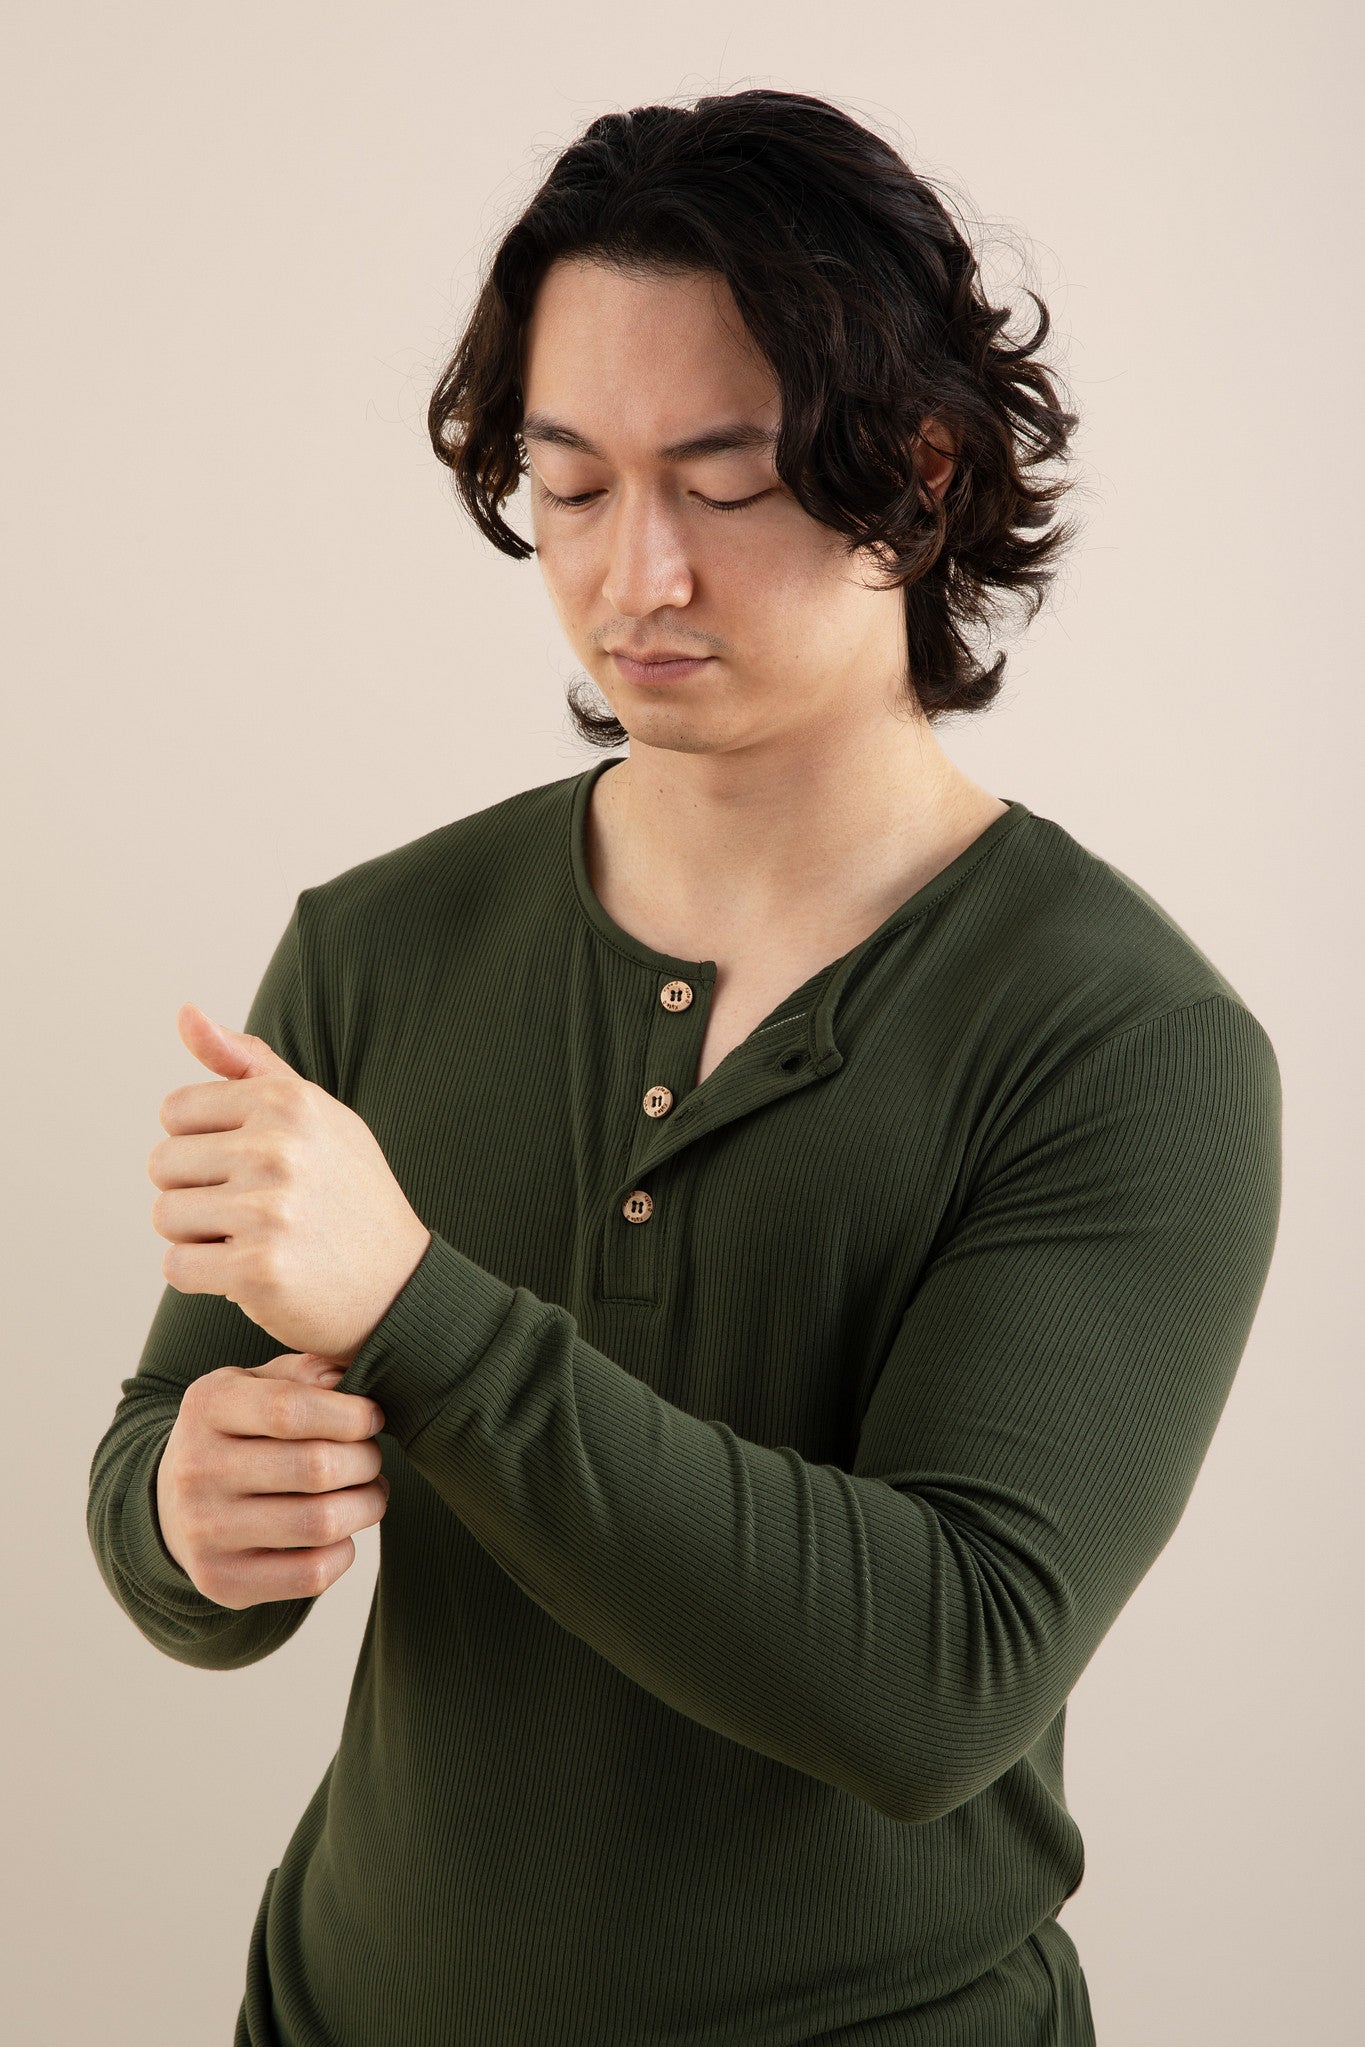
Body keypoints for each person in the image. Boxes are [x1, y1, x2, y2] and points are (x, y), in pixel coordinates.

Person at [87, 88, 1282, 2047]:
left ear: (910, 469)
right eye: (567, 485)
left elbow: (940, 1678)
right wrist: (188, 1522)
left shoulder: (1122, 1043)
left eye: (718, 482)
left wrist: (419, 1313)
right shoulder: (373, 943)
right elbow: (164, 1468)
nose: (632, 574)